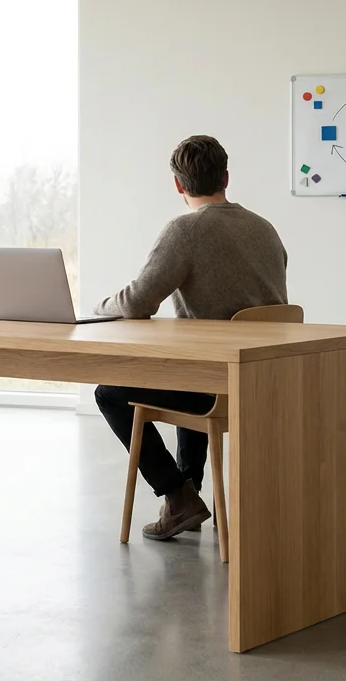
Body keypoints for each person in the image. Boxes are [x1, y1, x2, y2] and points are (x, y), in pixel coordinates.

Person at [93, 135, 288, 541]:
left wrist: (99, 307)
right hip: (267, 381)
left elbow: (137, 302)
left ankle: (177, 496)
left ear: (179, 186)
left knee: (109, 392)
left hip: (216, 383)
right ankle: (190, 493)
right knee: (191, 369)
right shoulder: (265, 229)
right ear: (226, 178)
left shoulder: (185, 230)